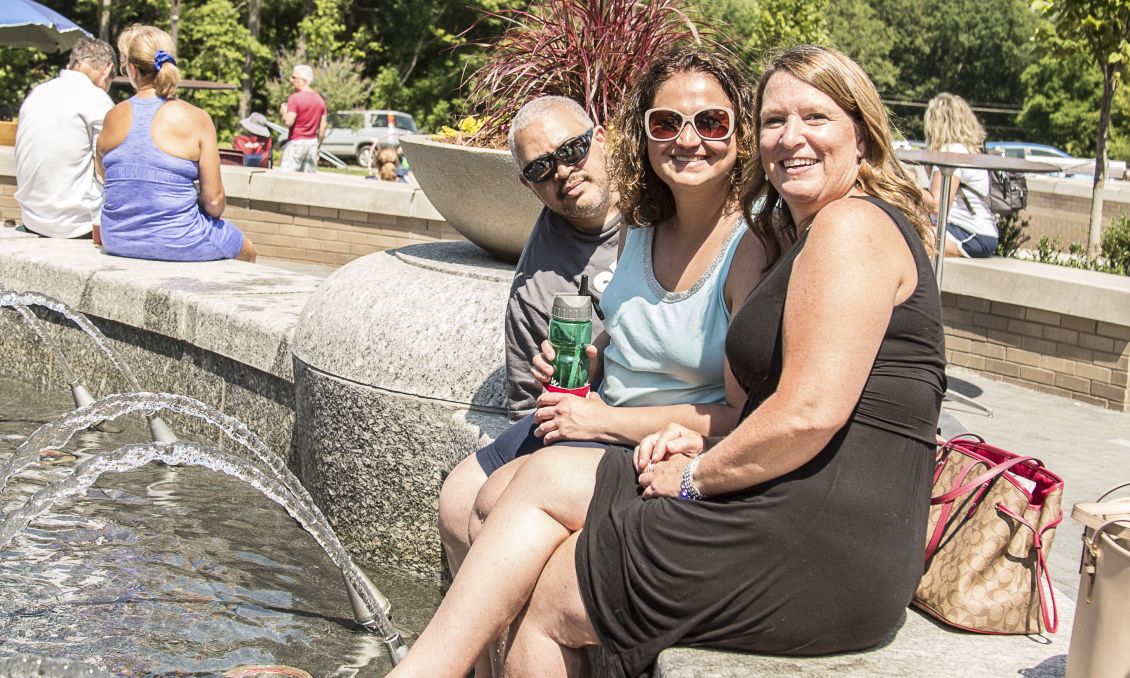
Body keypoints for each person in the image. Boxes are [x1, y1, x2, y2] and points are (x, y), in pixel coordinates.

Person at [390, 44, 945, 678]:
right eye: (774, 121)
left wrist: (695, 473)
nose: (791, 138)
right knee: (522, 490)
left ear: (864, 137)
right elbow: (781, 401)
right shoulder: (811, 232)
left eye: (816, 118)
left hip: (825, 540)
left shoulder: (847, 227)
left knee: (547, 599)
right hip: (794, 498)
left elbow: (809, 413)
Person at [434, 49, 766, 671]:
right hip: (597, 416)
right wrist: (582, 370)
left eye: (711, 123)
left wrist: (599, 418)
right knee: (462, 499)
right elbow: (614, 346)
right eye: (666, 124)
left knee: (496, 506)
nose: (688, 140)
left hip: (641, 441)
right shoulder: (637, 229)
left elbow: (750, 417)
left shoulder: (746, 246)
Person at [96, 25, 256, 263]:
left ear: (131, 70)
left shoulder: (112, 116)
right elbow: (214, 203)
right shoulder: (197, 118)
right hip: (181, 240)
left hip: (117, 238)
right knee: (247, 250)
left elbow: (105, 175)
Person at [14, 37, 114, 241]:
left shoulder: (38, 93)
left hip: (32, 219)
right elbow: (108, 167)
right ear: (107, 69)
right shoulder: (96, 98)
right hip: (76, 225)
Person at [924, 92, 997, 258]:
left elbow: (937, 205)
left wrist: (905, 187)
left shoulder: (952, 152)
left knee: (904, 239)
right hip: (978, 232)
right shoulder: (968, 151)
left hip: (970, 233)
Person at [279, 64, 327, 173]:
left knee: (286, 179)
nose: (291, 80)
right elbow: (322, 129)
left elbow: (289, 122)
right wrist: (318, 148)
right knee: (308, 182)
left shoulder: (295, 98)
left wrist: (283, 112)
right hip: (312, 144)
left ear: (304, 80)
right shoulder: (320, 100)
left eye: (294, 78)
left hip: (296, 142)